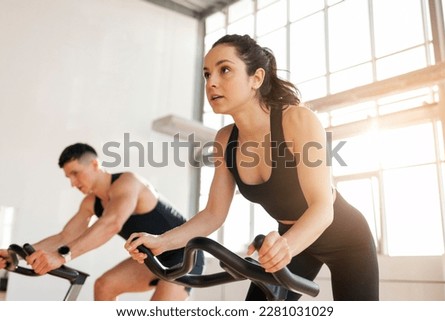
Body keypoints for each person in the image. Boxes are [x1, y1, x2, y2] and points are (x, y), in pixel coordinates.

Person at [125, 34, 379, 301]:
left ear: (256, 78)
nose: (211, 82)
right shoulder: (225, 140)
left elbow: (322, 208)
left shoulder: (298, 120)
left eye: (225, 70)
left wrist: (286, 247)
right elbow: (213, 214)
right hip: (289, 238)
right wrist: (162, 241)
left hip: (345, 238)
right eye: (207, 74)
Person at [0, 143, 204, 300]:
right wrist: (18, 254)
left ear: (95, 164)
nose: (72, 183)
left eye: (75, 173)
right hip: (152, 256)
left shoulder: (127, 182)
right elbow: (65, 236)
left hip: (184, 253)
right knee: (104, 286)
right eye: (68, 177)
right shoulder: (91, 202)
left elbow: (111, 223)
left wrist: (63, 256)